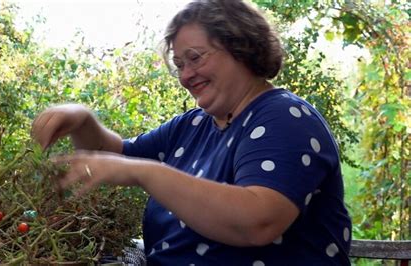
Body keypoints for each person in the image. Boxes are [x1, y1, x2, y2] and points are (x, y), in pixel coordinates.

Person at [31, 0, 352, 265]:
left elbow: (258, 221)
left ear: (241, 46)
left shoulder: (284, 117)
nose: (186, 75)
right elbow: (114, 156)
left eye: (195, 58)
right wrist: (83, 120)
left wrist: (146, 173)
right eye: (179, 64)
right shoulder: (192, 125)